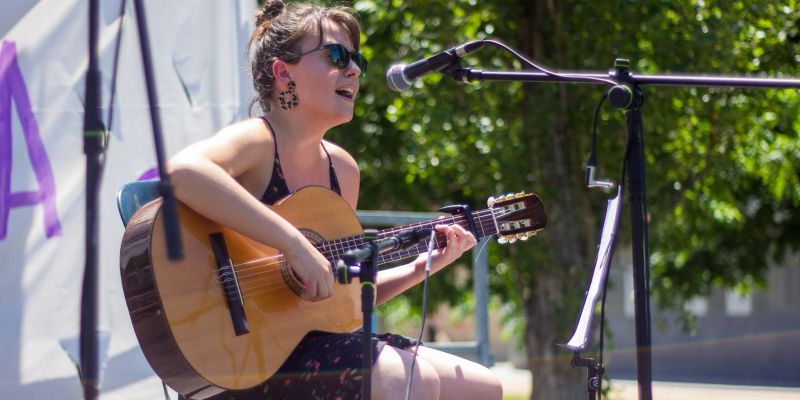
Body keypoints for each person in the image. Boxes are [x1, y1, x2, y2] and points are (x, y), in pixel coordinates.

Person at [166, 1, 503, 399]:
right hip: (244, 357)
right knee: (410, 378)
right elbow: (181, 173)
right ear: (283, 73)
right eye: (337, 56)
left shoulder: (342, 170)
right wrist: (293, 244)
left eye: (357, 59)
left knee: (483, 388)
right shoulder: (257, 140)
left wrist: (417, 268)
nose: (354, 69)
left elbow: (342, 297)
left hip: (311, 345)